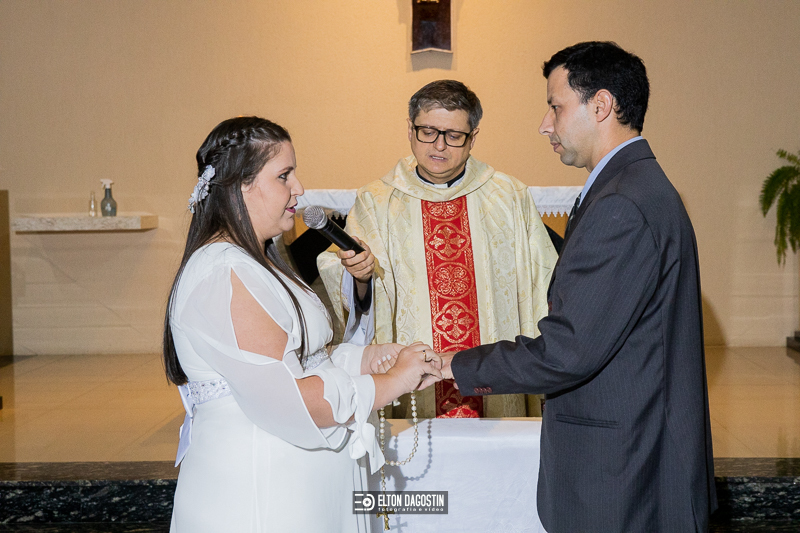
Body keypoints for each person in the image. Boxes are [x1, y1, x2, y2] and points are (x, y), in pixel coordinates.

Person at [441, 42, 717, 532]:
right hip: (635, 455)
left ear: (601, 105)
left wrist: (451, 365)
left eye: (556, 106)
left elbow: (567, 351)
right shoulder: (633, 186)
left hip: (622, 474)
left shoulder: (622, 203)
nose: (545, 125)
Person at [163, 116, 441, 532]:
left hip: (296, 483)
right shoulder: (224, 273)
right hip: (262, 492)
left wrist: (365, 359)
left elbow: (302, 358)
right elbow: (290, 399)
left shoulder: (258, 259)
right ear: (241, 185)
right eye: (284, 176)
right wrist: (392, 382)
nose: (299, 188)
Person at [318, 80, 557, 418]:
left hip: (495, 390)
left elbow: (542, 285)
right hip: (414, 397)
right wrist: (359, 278)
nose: (439, 146)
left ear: (473, 136)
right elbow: (353, 287)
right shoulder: (376, 202)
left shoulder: (508, 197)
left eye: (454, 135)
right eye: (428, 132)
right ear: (410, 129)